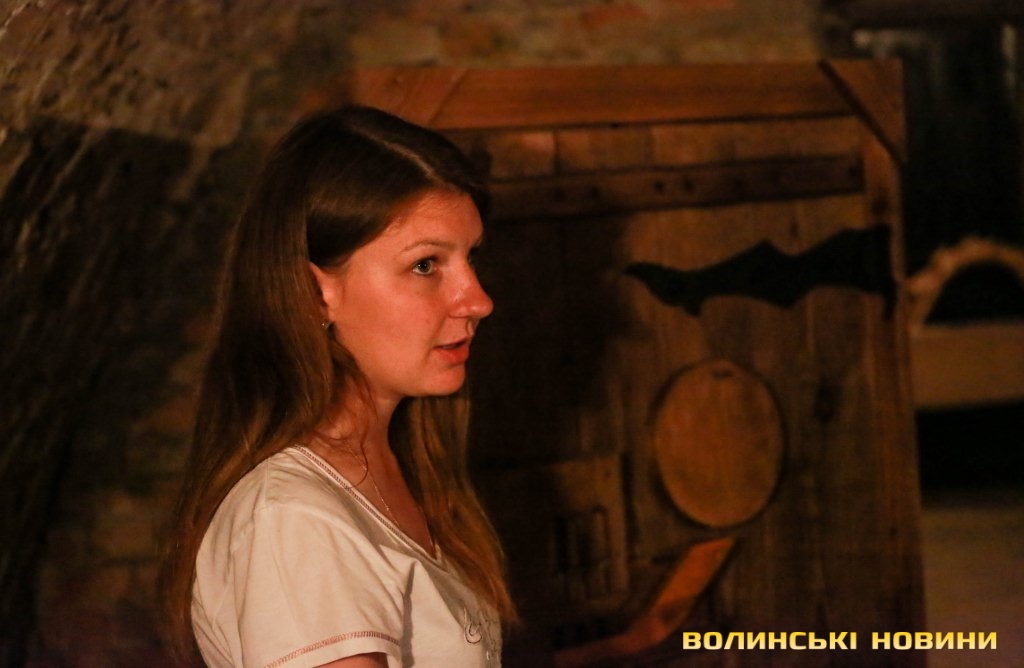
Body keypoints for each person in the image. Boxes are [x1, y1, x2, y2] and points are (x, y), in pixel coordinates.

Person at [160, 106, 515, 668]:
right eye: (426, 265)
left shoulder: (395, 467)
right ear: (315, 293)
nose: (478, 301)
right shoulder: (293, 519)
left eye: (470, 258)